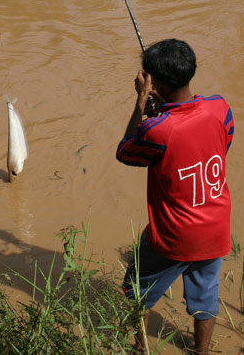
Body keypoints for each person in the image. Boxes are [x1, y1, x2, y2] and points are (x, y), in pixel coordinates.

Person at [116, 39, 234, 355]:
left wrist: (141, 103)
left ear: (158, 85)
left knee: (134, 289)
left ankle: (140, 348)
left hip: (173, 235)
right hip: (216, 227)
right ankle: (202, 352)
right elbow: (220, 144)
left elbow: (126, 152)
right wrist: (163, 109)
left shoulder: (158, 130)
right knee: (205, 295)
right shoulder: (220, 108)